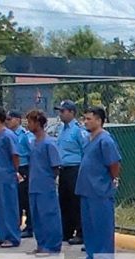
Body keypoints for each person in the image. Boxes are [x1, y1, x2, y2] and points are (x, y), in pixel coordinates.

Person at [75, 106, 122, 259]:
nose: (86, 122)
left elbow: (114, 163)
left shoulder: (105, 140)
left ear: (99, 120)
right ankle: (92, 253)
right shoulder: (89, 139)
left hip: (100, 188)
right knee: (89, 225)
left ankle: (104, 257)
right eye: (85, 119)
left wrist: (113, 179)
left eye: (89, 119)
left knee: (102, 224)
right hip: (87, 188)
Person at [25, 109, 62, 257]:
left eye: (30, 122)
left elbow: (55, 167)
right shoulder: (33, 143)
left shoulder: (49, 143)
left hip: (45, 186)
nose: (28, 125)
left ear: (38, 124)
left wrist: (48, 181)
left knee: (49, 216)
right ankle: (41, 244)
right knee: (37, 216)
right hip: (34, 186)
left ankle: (52, 246)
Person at [0, 107, 21, 248]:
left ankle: (12, 237)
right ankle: (1, 235)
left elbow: (15, 155)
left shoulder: (8, 135)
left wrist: (14, 171)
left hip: (6, 177)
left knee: (9, 207)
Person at [55, 99, 88, 245]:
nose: (60, 114)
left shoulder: (78, 130)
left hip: (75, 169)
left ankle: (80, 232)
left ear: (72, 113)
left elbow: (85, 150)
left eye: (63, 111)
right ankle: (66, 231)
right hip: (63, 169)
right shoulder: (61, 129)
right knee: (64, 201)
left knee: (76, 202)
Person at [5, 110, 35, 238]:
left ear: (17, 120)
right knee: (14, 198)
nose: (7, 122)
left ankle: (29, 227)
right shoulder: (8, 134)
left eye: (9, 119)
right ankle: (15, 225)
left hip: (23, 168)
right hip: (13, 168)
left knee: (25, 199)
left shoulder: (24, 135)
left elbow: (31, 153)